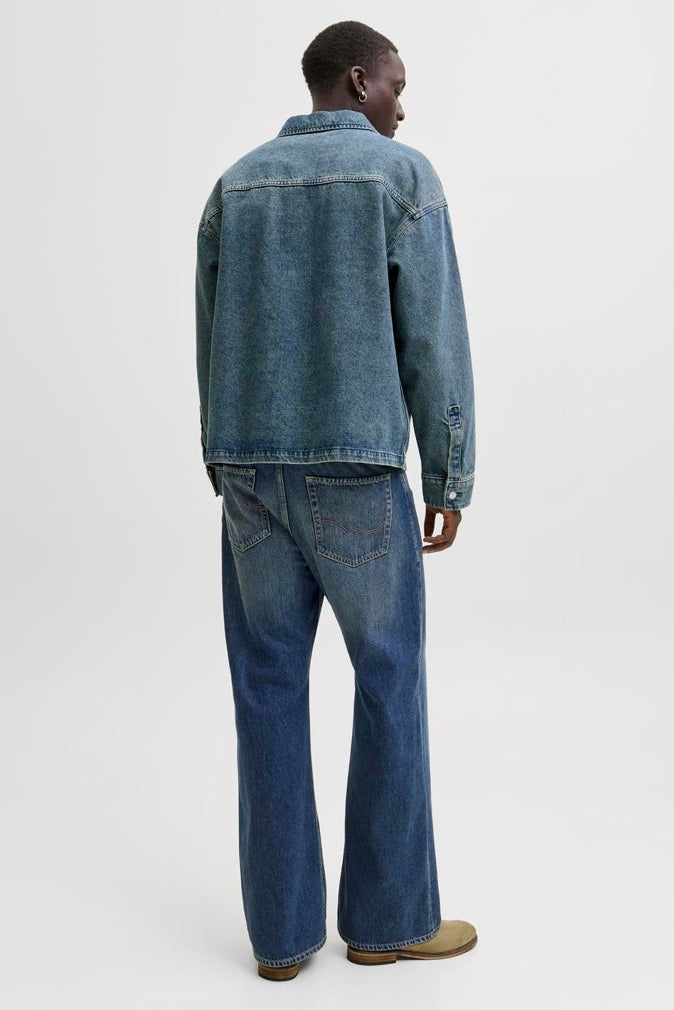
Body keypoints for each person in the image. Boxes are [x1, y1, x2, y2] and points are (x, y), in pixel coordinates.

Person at [195, 19, 478, 981]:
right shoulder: (400, 179)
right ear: (357, 81)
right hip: (356, 475)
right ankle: (385, 923)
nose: (403, 104)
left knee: (265, 692)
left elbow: (208, 335)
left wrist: (225, 464)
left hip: (250, 479)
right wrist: (448, 473)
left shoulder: (236, 184)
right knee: (389, 683)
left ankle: (280, 943)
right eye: (397, 84)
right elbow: (433, 338)